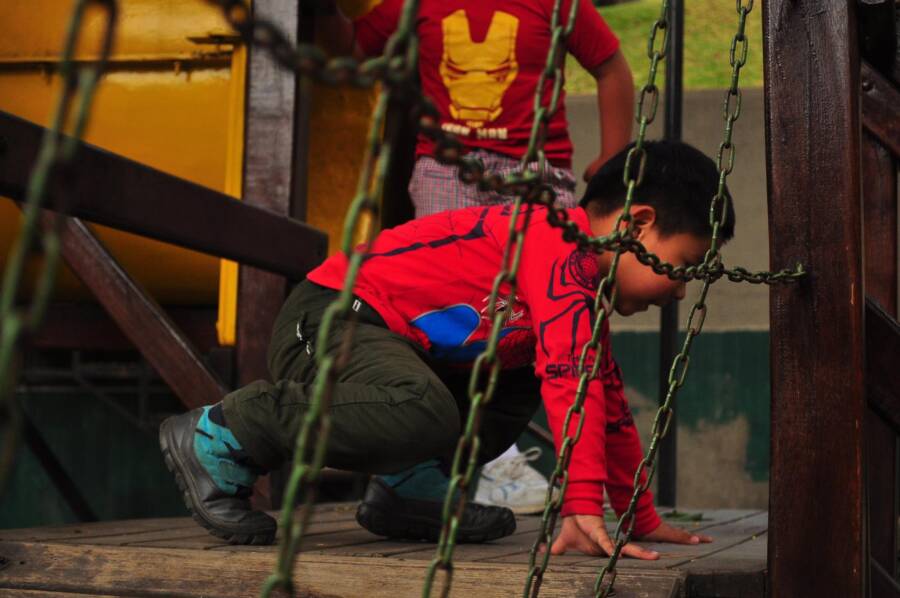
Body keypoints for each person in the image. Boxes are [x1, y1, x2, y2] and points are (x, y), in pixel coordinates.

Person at [159, 140, 724, 555]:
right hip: (334, 314)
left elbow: (603, 400)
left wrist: (638, 514)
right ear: (639, 224)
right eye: (682, 268)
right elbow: (571, 377)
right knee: (429, 405)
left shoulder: (581, 294)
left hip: (405, 348)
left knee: (516, 377)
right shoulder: (555, 241)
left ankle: (413, 488)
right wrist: (580, 504)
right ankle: (226, 430)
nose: (678, 290)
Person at [328, 0, 636, 514]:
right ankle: (476, 465)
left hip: (536, 168)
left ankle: (556, 466)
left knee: (550, 310)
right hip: (448, 168)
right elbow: (354, 47)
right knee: (447, 306)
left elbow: (610, 66)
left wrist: (613, 153)